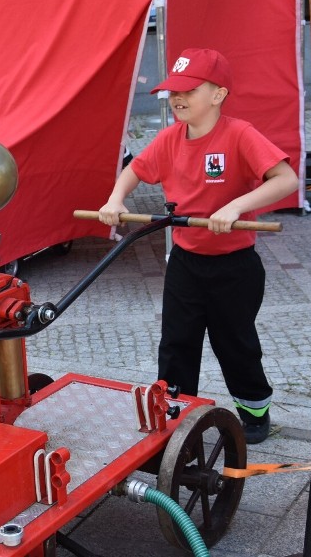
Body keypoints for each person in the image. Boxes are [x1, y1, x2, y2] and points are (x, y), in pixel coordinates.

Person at [98, 48, 298, 444]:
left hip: (235, 267)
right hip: (186, 263)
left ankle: (254, 411)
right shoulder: (169, 139)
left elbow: (286, 178)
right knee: (177, 341)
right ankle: (174, 409)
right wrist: (115, 200)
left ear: (219, 95)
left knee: (235, 343)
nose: (177, 98)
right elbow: (134, 170)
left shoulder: (239, 134)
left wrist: (237, 205)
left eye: (189, 90)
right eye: (173, 90)